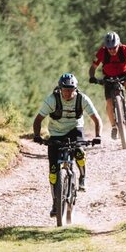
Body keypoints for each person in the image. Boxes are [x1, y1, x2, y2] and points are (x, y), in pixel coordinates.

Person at [32, 72, 102, 216]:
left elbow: (96, 119)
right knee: (53, 172)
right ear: (60, 88)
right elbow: (38, 119)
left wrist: (98, 136)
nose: (68, 92)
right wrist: (37, 136)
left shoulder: (82, 99)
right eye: (65, 89)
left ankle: (82, 176)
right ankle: (55, 202)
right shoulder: (52, 100)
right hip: (56, 134)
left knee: (79, 152)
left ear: (76, 89)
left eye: (71, 89)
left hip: (75, 130)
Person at [87, 31, 126, 139]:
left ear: (118, 44)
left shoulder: (124, 49)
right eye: (109, 48)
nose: (112, 50)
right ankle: (114, 127)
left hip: (123, 73)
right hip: (108, 76)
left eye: (114, 47)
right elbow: (93, 67)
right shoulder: (102, 52)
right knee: (109, 103)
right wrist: (92, 77)